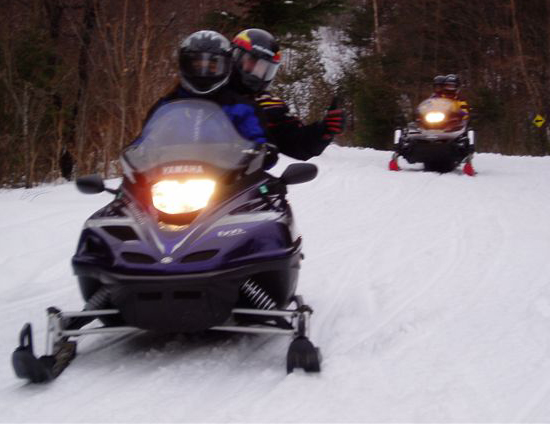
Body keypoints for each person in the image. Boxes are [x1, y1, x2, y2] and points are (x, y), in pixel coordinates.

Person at [229, 28, 345, 161]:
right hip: (206, 165)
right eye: (252, 63)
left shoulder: (268, 105)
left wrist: (324, 130)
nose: (257, 72)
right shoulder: (210, 88)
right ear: (235, 57)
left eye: (264, 68)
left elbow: (295, 141)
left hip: (242, 175)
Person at [135, 30, 266, 147]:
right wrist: (135, 154)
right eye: (197, 66)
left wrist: (262, 150)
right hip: (171, 171)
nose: (204, 73)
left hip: (226, 172)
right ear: (184, 66)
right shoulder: (166, 107)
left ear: (227, 67)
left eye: (212, 67)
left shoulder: (240, 108)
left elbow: (257, 138)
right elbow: (146, 140)